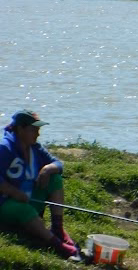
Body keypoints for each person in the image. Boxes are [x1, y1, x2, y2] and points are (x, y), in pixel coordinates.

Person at [0, 110, 79, 259]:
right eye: (34, 129)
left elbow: (57, 164)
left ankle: (57, 229)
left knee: (55, 178)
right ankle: (58, 245)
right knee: (24, 210)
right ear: (20, 129)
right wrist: (14, 193)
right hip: (5, 204)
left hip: (29, 199)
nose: (38, 134)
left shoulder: (35, 148)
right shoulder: (4, 148)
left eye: (38, 129)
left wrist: (47, 169)